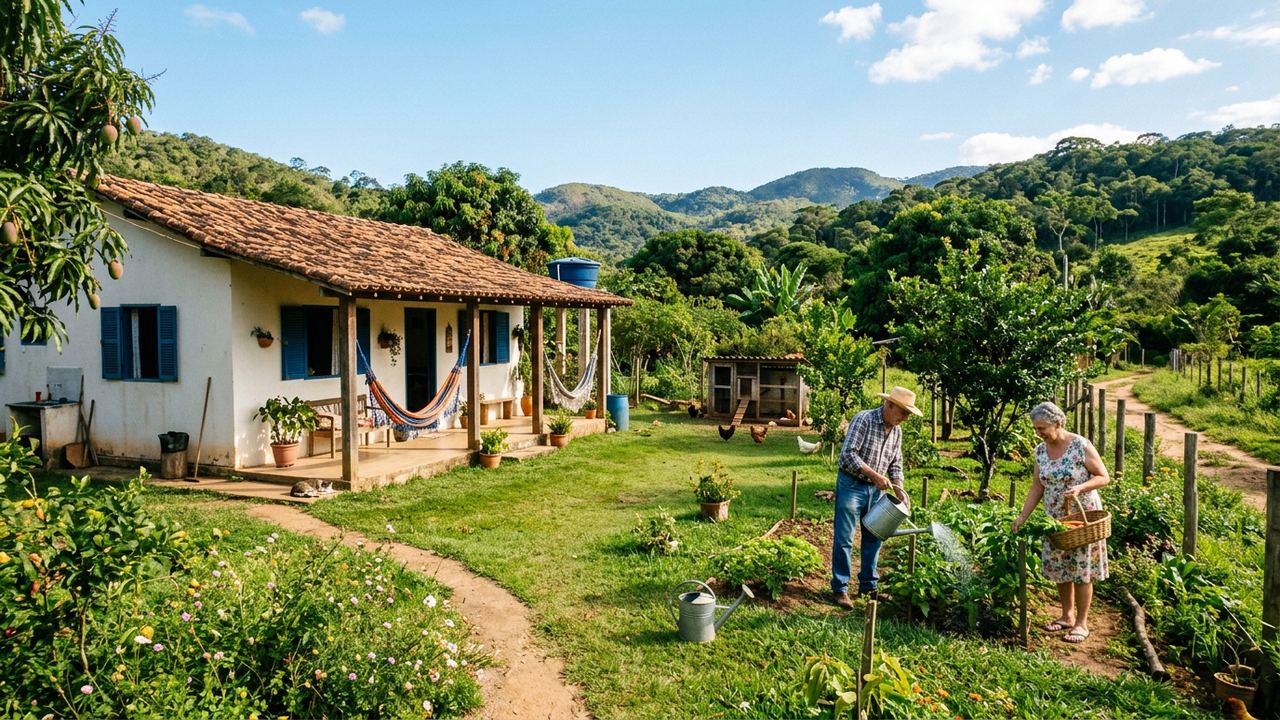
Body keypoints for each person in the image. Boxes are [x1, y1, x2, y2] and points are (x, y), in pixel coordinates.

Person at [1011, 401, 1110, 644]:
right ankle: (1067, 616)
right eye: (1035, 429)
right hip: (1055, 519)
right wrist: (1022, 517)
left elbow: (1103, 476)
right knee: (1061, 567)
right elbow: (1037, 487)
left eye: (1042, 428)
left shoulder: (1080, 445)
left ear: (1058, 423)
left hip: (1082, 516)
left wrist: (1080, 488)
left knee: (1082, 569)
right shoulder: (1040, 451)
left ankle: (1081, 624)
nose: (1038, 433)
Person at [831, 386, 923, 609]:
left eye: (908, 414)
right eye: (903, 412)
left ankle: (868, 587)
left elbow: (896, 464)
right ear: (889, 404)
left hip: (875, 490)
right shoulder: (864, 420)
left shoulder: (897, 431)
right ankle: (840, 589)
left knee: (874, 536)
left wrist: (900, 490)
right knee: (845, 537)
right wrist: (874, 475)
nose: (905, 418)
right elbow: (847, 455)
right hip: (852, 485)